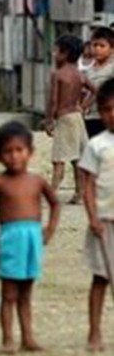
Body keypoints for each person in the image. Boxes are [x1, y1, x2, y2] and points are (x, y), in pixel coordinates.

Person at [0, 121, 60, 354]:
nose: (14, 156)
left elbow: (55, 203)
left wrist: (50, 229)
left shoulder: (37, 181)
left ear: (30, 152)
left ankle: (28, 338)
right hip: (10, 239)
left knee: (26, 293)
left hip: (32, 238)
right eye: (7, 151)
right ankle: (7, 339)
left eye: (19, 150)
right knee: (9, 293)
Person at [78, 78, 114, 352]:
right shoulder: (96, 145)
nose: (111, 115)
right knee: (100, 278)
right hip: (103, 223)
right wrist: (92, 217)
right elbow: (87, 185)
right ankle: (94, 332)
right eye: (106, 109)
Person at [46, 35, 97, 204]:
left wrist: (49, 121)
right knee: (77, 159)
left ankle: (52, 192)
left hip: (64, 117)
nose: (53, 54)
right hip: (77, 117)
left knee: (59, 159)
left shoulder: (58, 74)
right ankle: (79, 193)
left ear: (65, 53)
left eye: (56, 50)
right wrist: (84, 106)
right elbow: (95, 90)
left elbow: (53, 100)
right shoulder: (79, 74)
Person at [84, 27, 114, 138]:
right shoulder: (89, 70)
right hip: (91, 116)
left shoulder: (112, 68)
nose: (97, 49)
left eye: (102, 46)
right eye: (95, 45)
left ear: (111, 49)